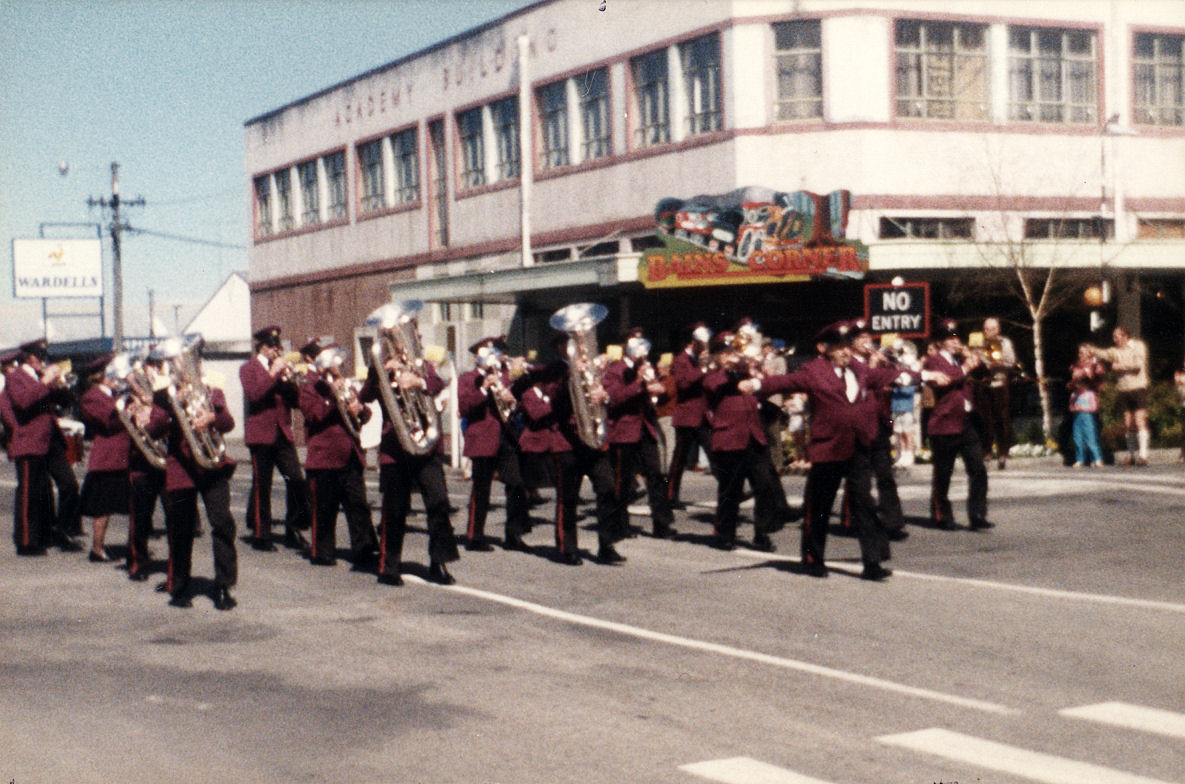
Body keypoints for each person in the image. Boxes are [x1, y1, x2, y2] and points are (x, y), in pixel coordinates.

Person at [752, 322, 917, 580]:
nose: (845, 352)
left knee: (865, 503)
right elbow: (785, 381)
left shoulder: (858, 369)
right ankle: (812, 557)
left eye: (846, 347)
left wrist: (911, 376)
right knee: (819, 506)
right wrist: (755, 385)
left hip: (858, 446)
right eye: (839, 347)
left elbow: (879, 377)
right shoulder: (814, 370)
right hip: (828, 446)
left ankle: (872, 562)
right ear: (824, 348)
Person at [358, 301, 458, 586]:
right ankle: (388, 566)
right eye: (395, 334)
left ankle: (438, 562)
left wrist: (418, 382)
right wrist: (379, 371)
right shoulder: (382, 365)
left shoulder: (421, 364)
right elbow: (365, 397)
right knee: (394, 510)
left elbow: (438, 385)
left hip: (426, 446)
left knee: (438, 503)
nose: (403, 340)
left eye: (407, 333)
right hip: (395, 448)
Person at [147, 338, 238, 610]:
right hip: (181, 468)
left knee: (222, 524)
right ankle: (180, 586)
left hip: (212, 464)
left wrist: (212, 418)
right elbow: (154, 430)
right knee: (181, 528)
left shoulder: (211, 390)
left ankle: (223, 586)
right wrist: (169, 406)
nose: (183, 369)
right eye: (176, 364)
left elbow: (229, 422)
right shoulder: (163, 394)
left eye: (187, 363)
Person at [526, 327, 620, 566]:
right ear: (561, 347)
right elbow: (554, 394)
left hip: (594, 438)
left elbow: (611, 392)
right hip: (566, 441)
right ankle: (567, 547)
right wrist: (570, 375)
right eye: (574, 343)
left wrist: (604, 395)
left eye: (582, 342)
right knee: (568, 497)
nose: (581, 347)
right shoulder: (554, 370)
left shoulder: (593, 366)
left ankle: (606, 545)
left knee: (607, 488)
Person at [702, 329, 787, 553]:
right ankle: (725, 534)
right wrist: (728, 367)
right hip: (729, 438)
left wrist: (757, 371)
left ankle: (762, 532)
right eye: (728, 352)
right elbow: (713, 386)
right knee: (731, 490)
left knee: (765, 486)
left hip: (754, 436)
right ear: (718, 356)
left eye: (734, 351)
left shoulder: (745, 373)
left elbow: (765, 389)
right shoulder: (713, 375)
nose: (733, 355)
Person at [299, 344, 379, 569]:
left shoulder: (344, 383)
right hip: (324, 457)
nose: (337, 366)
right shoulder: (309, 385)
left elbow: (365, 412)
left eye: (337, 362)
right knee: (324, 509)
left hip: (350, 454)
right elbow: (312, 413)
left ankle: (363, 551)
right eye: (332, 362)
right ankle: (322, 552)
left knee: (358, 506)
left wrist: (359, 409)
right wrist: (332, 397)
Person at [6, 338, 82, 555]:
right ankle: (26, 541)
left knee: (69, 485)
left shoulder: (42, 378)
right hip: (30, 441)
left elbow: (66, 402)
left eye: (43, 357)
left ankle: (62, 529)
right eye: (39, 357)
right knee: (31, 493)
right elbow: (23, 401)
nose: (43, 361)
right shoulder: (15, 378)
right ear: (28, 358)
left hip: (51, 440)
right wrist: (45, 381)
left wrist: (61, 384)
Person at [240, 325, 310, 551]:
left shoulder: (279, 370)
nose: (276, 351)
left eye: (277, 347)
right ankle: (262, 535)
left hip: (282, 433)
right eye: (271, 346)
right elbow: (255, 394)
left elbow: (295, 402)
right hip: (260, 435)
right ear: (261, 347)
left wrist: (290, 381)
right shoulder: (248, 368)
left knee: (296, 480)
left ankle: (294, 528)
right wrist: (273, 374)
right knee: (262, 486)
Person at [457, 336, 530, 551]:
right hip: (482, 439)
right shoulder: (467, 378)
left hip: (507, 437)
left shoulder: (506, 377)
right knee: (481, 489)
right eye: (486, 353)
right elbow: (466, 406)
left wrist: (513, 400)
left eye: (495, 352)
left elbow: (520, 403)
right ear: (476, 357)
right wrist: (483, 389)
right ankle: (475, 536)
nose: (492, 356)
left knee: (516, 484)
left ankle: (514, 534)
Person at [603, 328, 676, 541]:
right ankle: (620, 525)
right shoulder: (615, 369)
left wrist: (657, 387)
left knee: (655, 475)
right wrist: (637, 382)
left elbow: (654, 390)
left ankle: (662, 524)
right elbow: (614, 398)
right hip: (624, 430)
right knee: (622, 480)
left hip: (644, 427)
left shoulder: (647, 367)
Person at [922, 319, 992, 531]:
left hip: (966, 421)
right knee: (943, 473)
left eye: (956, 338)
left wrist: (977, 361)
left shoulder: (959, 359)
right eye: (949, 339)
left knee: (978, 469)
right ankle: (942, 514)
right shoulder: (933, 361)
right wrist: (965, 367)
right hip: (944, 423)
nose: (955, 343)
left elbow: (983, 375)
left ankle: (977, 513)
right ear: (941, 342)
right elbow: (946, 379)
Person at [847, 320, 909, 541]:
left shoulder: (877, 361)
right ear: (852, 343)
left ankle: (893, 522)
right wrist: (873, 366)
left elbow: (896, 379)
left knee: (885, 475)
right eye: (861, 339)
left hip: (880, 423)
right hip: (859, 425)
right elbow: (863, 383)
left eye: (868, 338)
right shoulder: (849, 362)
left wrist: (890, 365)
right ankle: (851, 519)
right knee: (858, 477)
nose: (867, 342)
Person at [77, 354, 129, 563]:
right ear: (100, 376)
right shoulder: (92, 396)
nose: (116, 376)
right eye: (111, 373)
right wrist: (125, 404)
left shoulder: (116, 394)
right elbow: (108, 421)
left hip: (123, 456)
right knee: (103, 508)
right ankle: (97, 548)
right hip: (107, 458)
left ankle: (134, 548)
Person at [666, 322, 714, 508]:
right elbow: (683, 384)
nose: (704, 347)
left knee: (714, 452)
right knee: (679, 460)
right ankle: (670, 496)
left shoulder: (698, 360)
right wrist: (701, 369)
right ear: (692, 343)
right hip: (686, 417)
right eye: (701, 343)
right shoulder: (681, 360)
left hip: (701, 415)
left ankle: (731, 490)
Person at [1090, 326, 1150, 466]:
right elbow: (1104, 353)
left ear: (1125, 336)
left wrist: (1120, 366)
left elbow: (1138, 364)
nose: (1114, 339)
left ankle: (1143, 455)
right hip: (1123, 389)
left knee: (1140, 420)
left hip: (1138, 387)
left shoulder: (1138, 346)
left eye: (1116, 336)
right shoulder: (1115, 351)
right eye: (1114, 337)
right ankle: (1131, 455)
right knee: (1128, 423)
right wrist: (1091, 349)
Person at [975, 318, 1018, 469]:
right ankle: (986, 451)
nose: (988, 332)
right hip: (984, 384)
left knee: (1001, 419)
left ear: (998, 329)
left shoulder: (1004, 343)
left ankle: (1003, 452)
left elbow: (1011, 361)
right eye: (986, 329)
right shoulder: (978, 342)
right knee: (984, 419)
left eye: (992, 329)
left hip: (999, 382)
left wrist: (995, 363)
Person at [1068, 344, 1106, 468]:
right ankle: (1080, 459)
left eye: (1084, 352)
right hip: (1077, 416)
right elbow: (1071, 404)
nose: (1081, 355)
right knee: (1078, 438)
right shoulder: (1076, 367)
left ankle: (1097, 458)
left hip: (1088, 413)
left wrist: (1085, 373)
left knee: (1091, 436)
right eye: (1080, 352)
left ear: (1089, 353)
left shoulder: (1094, 365)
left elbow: (1097, 377)